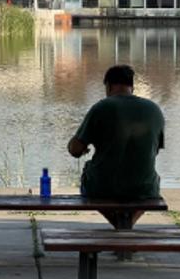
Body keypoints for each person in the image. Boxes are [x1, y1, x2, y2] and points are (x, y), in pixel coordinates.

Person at [68, 65, 165, 200]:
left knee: (89, 173)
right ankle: (125, 221)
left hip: (102, 190)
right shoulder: (154, 110)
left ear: (108, 86)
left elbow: (74, 150)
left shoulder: (102, 107)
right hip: (146, 190)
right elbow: (154, 150)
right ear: (132, 87)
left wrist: (82, 147)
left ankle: (121, 221)